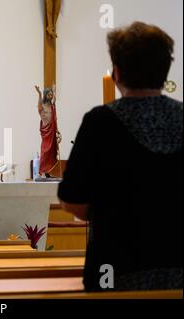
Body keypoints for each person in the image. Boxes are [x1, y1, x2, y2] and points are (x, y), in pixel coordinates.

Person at [58, 22, 183, 291]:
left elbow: (72, 202)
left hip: (115, 272)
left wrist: (112, 210)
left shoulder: (100, 122)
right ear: (165, 72)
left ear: (117, 72)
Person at [34, 85, 62, 177]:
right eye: (49, 95)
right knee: (45, 150)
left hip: (53, 130)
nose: (50, 96)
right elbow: (39, 106)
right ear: (45, 95)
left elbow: (55, 118)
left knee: (51, 152)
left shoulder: (52, 106)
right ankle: (42, 171)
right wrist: (39, 94)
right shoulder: (42, 106)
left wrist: (57, 131)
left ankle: (47, 172)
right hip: (46, 131)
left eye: (51, 95)